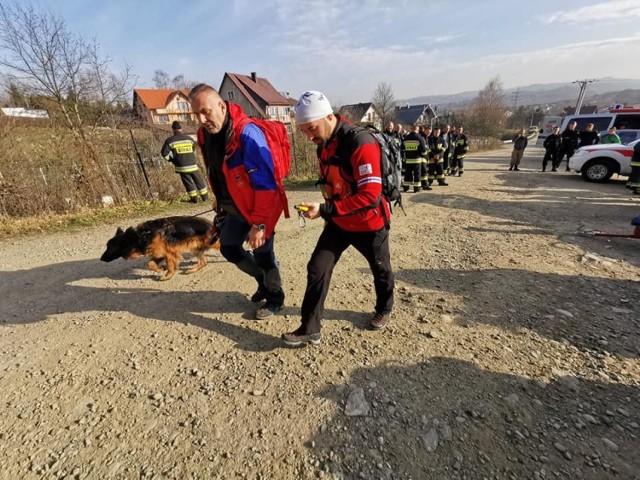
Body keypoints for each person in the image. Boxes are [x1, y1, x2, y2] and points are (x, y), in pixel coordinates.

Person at [282, 90, 395, 346]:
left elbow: (370, 196)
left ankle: (384, 307)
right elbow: (331, 183)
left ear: (329, 117)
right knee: (317, 267)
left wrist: (324, 210)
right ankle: (310, 328)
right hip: (339, 221)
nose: (309, 137)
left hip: (369, 223)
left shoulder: (360, 142)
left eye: (311, 128)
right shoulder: (323, 144)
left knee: (380, 269)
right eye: (303, 132)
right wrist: (328, 213)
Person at [188, 84, 286, 319]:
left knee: (263, 252)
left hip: (260, 205)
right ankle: (263, 281)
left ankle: (276, 298)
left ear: (221, 106)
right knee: (230, 248)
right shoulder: (205, 135)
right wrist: (219, 199)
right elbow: (217, 170)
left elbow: (266, 184)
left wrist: (260, 225)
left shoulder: (247, 134)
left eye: (206, 112)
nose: (202, 119)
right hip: (234, 206)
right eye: (196, 114)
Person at [160, 121, 209, 203]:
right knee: (199, 180)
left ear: (173, 129)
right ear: (181, 128)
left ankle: (194, 199)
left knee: (188, 182)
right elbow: (193, 149)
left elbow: (164, 153)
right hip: (193, 165)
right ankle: (205, 197)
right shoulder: (189, 139)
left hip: (182, 167)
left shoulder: (170, 141)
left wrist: (172, 159)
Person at [402, 124, 430, 192]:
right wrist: (426, 157)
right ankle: (416, 188)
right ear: (417, 130)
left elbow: (402, 148)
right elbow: (423, 150)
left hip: (408, 160)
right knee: (417, 174)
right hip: (417, 160)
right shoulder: (420, 138)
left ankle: (405, 187)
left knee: (407, 174)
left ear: (411, 129)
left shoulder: (406, 138)